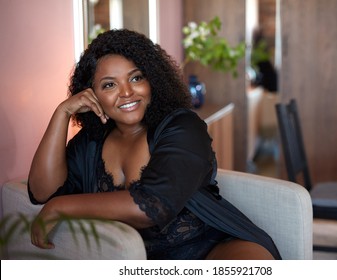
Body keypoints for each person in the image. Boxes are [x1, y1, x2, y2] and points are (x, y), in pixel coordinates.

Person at [28, 29, 281, 260]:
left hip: (215, 249)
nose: (127, 92)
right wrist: (62, 113)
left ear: (153, 80)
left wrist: (60, 207)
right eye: (109, 85)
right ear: (91, 94)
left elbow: (153, 205)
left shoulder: (183, 127)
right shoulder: (91, 142)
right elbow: (42, 192)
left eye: (136, 78)